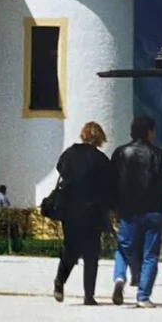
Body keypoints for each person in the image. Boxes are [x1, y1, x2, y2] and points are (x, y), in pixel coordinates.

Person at [110, 115, 162, 309]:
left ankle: (120, 277)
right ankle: (143, 296)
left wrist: (114, 205)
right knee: (150, 254)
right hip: (152, 209)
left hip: (127, 209)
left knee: (123, 247)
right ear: (149, 131)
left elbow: (111, 181)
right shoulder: (159, 155)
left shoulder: (121, 152)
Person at [51, 122, 114, 305]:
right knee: (91, 253)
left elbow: (60, 168)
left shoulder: (70, 153)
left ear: (83, 134)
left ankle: (59, 281)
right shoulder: (101, 159)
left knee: (71, 248)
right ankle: (89, 295)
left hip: (70, 209)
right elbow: (108, 187)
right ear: (100, 137)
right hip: (93, 211)